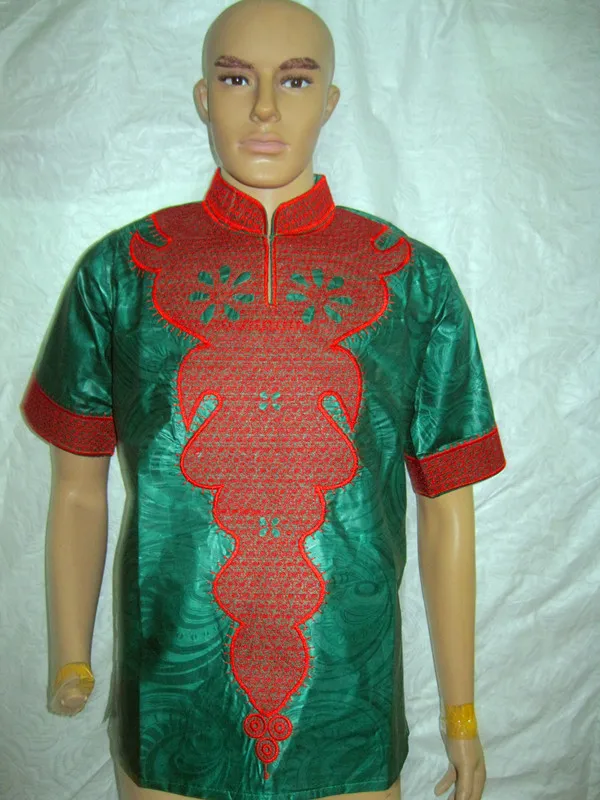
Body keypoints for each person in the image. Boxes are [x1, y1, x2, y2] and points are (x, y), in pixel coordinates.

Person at [21, 1, 506, 799]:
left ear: (332, 101)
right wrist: (72, 654)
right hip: (170, 707)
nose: (267, 109)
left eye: (297, 80)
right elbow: (77, 487)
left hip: (350, 705)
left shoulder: (411, 280)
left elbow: (448, 503)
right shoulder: (123, 272)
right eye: (237, 79)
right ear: (203, 96)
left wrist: (462, 712)